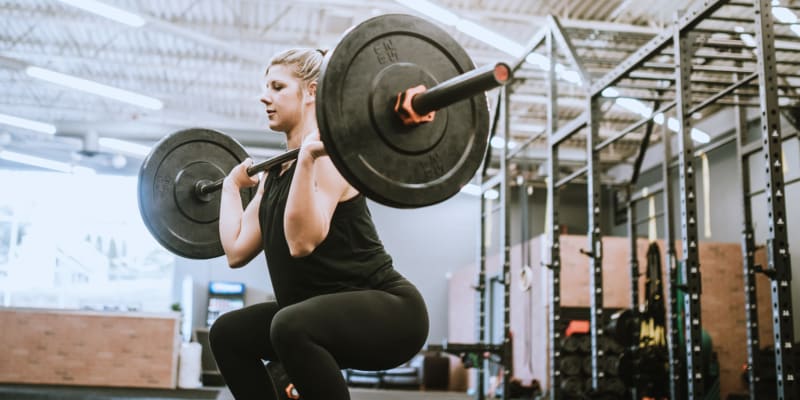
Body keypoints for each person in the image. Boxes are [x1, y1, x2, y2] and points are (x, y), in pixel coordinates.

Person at [208, 48, 430, 400]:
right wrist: (231, 188)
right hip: (313, 315)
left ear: (311, 91)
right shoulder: (274, 174)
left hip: (391, 314)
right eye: (266, 87)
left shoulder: (331, 159)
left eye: (278, 86)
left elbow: (302, 242)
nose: (264, 96)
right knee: (228, 334)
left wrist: (309, 159)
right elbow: (236, 250)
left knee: (290, 324)